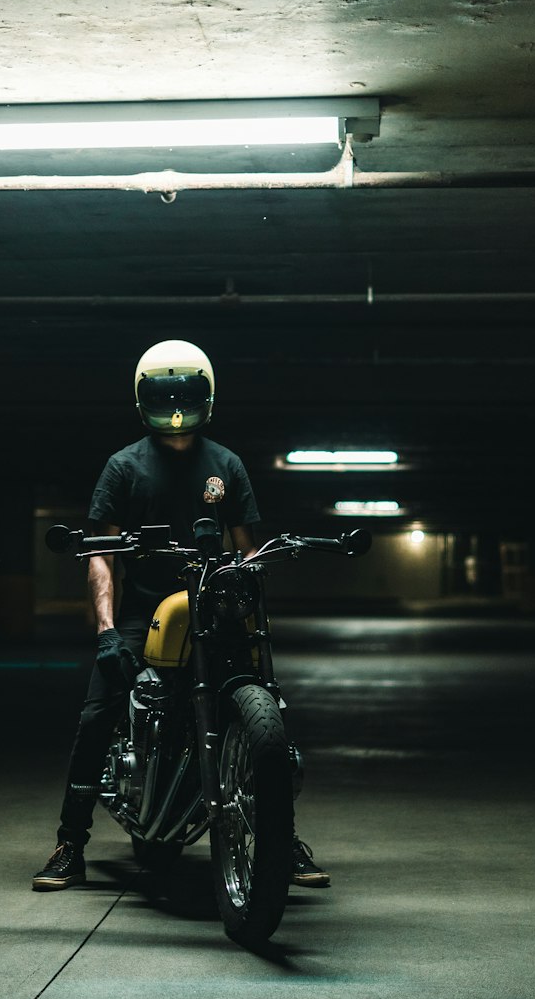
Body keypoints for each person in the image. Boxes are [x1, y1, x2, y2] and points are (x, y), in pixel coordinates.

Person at [32, 339, 330, 892]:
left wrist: (247, 590)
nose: (174, 405)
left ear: (206, 397)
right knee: (97, 717)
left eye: (184, 394)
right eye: (163, 395)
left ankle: (278, 834)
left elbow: (249, 548)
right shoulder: (124, 467)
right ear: (143, 398)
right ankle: (70, 843)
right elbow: (101, 553)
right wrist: (105, 633)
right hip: (144, 611)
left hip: (214, 608)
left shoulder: (226, 465)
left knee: (266, 707)